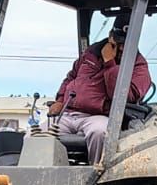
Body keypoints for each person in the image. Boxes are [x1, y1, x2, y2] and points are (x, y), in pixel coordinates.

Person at [48, 10, 151, 164]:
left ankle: (97, 178)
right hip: (68, 114)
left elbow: (124, 96)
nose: (122, 48)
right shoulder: (90, 54)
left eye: (126, 44)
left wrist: (110, 63)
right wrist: (60, 100)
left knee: (100, 133)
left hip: (100, 116)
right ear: (111, 36)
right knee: (35, 136)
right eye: (118, 43)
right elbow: (71, 77)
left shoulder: (138, 66)